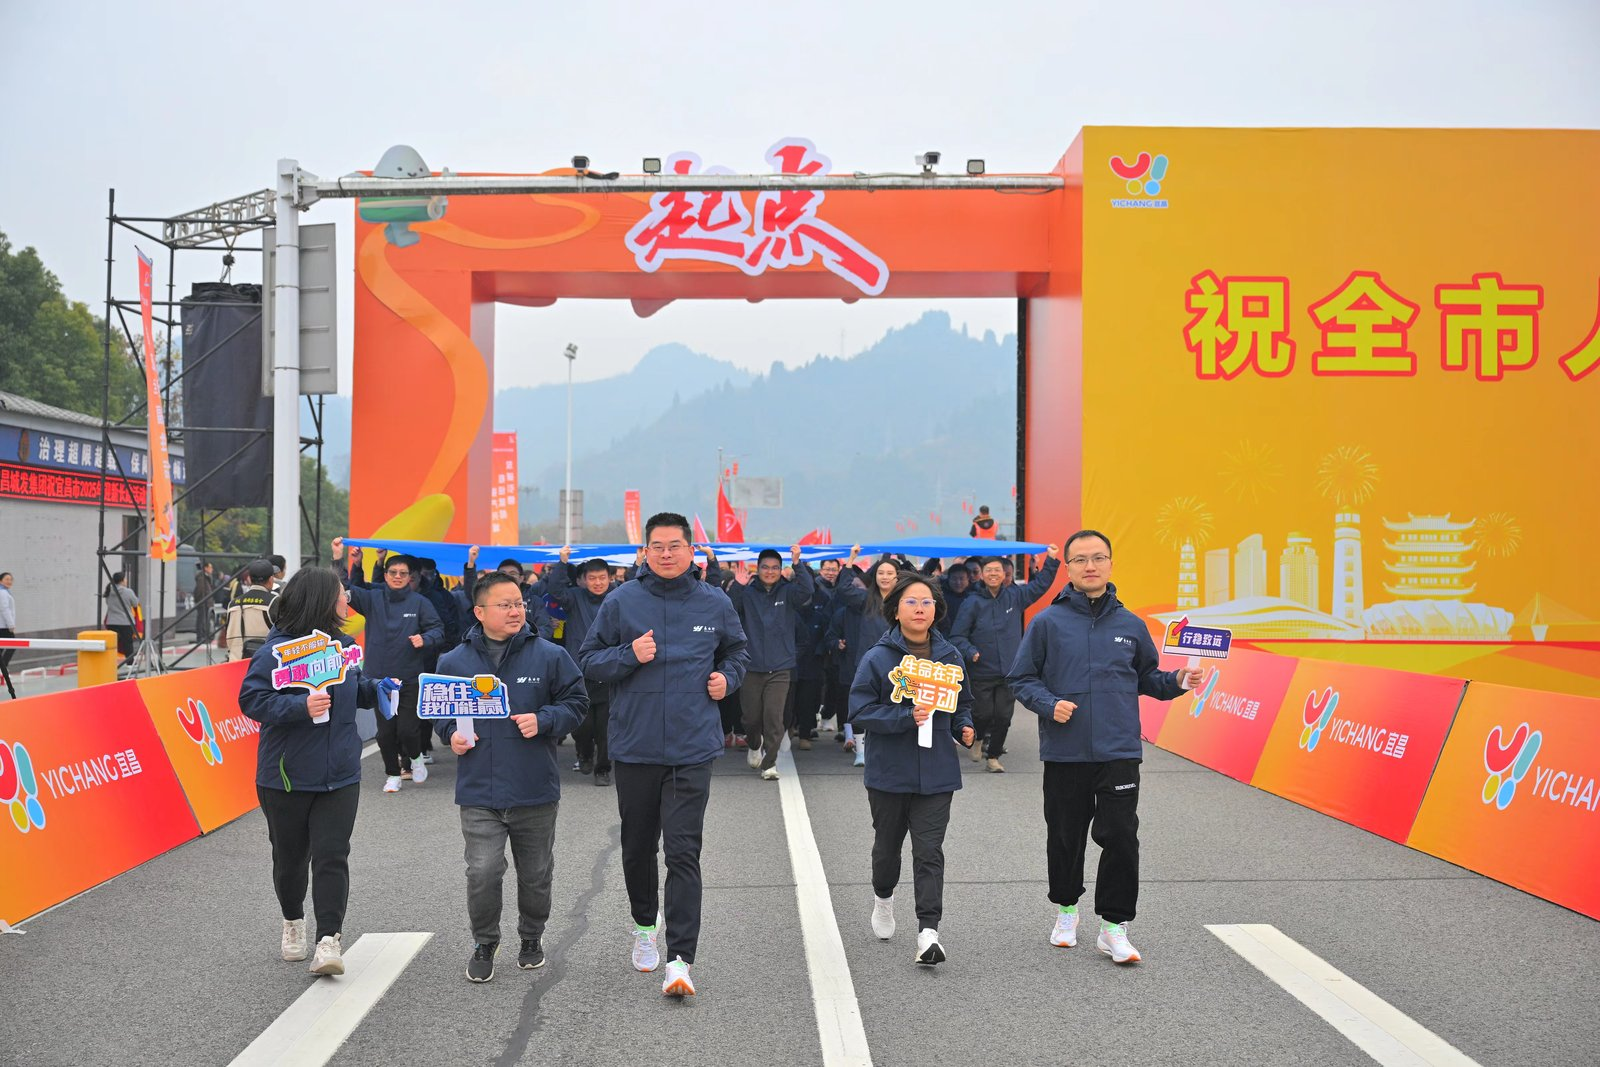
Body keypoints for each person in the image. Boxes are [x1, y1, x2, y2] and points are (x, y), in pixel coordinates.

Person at [1006, 529, 1202, 965]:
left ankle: (1114, 926)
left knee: (1121, 837)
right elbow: (1021, 678)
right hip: (1065, 751)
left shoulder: (1131, 625)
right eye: (1080, 559)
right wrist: (1049, 704)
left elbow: (1148, 678)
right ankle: (1066, 911)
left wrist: (1178, 680)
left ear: (1111, 563)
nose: (1090, 566)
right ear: (1068, 569)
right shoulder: (1047, 623)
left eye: (1098, 557)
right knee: (1065, 837)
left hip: (1118, 750)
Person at [576, 512, 749, 998]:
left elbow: (738, 652)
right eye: (658, 546)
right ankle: (644, 927)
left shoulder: (714, 601)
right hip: (636, 745)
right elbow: (588, 660)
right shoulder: (621, 600)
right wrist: (629, 655)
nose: (667, 554)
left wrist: (727, 679)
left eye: (675, 546)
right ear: (645, 552)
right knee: (637, 847)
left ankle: (681, 959)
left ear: (691, 551)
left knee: (683, 851)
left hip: (692, 746)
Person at [238, 566, 393, 977]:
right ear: (322, 600)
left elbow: (354, 690)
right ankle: (293, 919)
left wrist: (376, 688)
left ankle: (329, 940)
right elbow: (251, 700)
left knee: (332, 855)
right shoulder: (274, 652)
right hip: (285, 776)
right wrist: (298, 706)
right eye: (342, 595)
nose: (347, 601)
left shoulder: (344, 648)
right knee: (290, 860)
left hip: (340, 773)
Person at [436, 571, 588, 983]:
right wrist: (451, 734)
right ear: (479, 611)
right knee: (482, 872)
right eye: (505, 605)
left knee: (536, 874)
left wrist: (544, 719)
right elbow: (441, 714)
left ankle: (531, 936)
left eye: (519, 603)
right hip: (479, 790)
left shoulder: (550, 656)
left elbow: (577, 702)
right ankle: (485, 942)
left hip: (533, 786)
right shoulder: (453, 662)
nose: (515, 611)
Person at [849, 572, 975, 965]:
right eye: (911, 602)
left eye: (926, 602)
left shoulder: (950, 656)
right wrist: (905, 716)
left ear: (936, 610)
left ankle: (928, 932)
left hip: (937, 772)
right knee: (887, 848)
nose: (920, 609)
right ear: (895, 610)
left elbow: (962, 703)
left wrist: (964, 727)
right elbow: (860, 710)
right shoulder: (878, 658)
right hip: (889, 772)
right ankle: (883, 899)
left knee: (929, 851)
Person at [332, 539, 444, 793]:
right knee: (384, 734)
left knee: (408, 730)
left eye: (403, 573)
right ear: (385, 575)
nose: (398, 576)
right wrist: (340, 558)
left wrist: (425, 639)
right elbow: (343, 587)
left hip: (409, 678)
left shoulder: (420, 603)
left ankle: (415, 758)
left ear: (410, 577)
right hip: (379, 680)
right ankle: (392, 774)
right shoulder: (372, 598)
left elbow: (438, 630)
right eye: (393, 572)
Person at [950, 547, 1061, 773]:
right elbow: (957, 636)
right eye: (988, 570)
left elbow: (1040, 586)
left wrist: (1051, 560)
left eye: (997, 570)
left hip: (1009, 671)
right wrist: (970, 651)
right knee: (982, 714)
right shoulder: (972, 602)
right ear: (982, 575)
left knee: (1003, 716)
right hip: (981, 670)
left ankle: (993, 757)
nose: (993, 574)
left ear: (1004, 574)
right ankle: (978, 738)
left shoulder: (1015, 596)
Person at [724, 545, 812, 780]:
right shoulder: (747, 593)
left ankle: (769, 764)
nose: (770, 572)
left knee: (774, 718)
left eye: (775, 568)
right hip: (751, 667)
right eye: (765, 567)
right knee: (751, 719)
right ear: (758, 569)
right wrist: (738, 585)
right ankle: (754, 744)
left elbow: (807, 591)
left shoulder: (788, 592)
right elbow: (728, 609)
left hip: (780, 667)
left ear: (781, 570)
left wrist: (797, 564)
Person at [546, 546, 621, 786]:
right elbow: (555, 590)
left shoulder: (618, 597)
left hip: (609, 671)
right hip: (580, 673)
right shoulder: (574, 598)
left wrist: (639, 564)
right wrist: (562, 562)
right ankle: (584, 754)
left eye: (602, 578)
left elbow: (638, 590)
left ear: (610, 578)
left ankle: (603, 769)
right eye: (592, 578)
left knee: (606, 728)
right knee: (582, 726)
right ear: (583, 580)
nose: (597, 583)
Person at [833, 548, 903, 767]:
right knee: (862, 706)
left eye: (890, 573)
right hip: (868, 662)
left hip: (897, 663)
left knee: (892, 706)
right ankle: (861, 750)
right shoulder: (865, 599)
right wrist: (851, 559)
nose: (885, 577)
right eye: (881, 573)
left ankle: (889, 749)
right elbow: (844, 589)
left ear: (897, 577)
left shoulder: (905, 601)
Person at [226, 560, 278, 662]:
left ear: (249, 579)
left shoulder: (233, 604)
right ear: (271, 579)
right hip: (264, 664)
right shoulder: (274, 602)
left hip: (235, 664)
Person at [103, 571, 142, 660]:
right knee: (128, 643)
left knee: (113, 644)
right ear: (122, 580)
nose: (126, 580)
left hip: (111, 622)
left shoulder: (109, 591)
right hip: (126, 622)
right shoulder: (128, 592)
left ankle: (110, 661)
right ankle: (129, 663)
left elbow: (108, 603)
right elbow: (135, 603)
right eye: (125, 578)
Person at [0, 571, 15, 675]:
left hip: (3, 625)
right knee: (12, 645)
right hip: (4, 626)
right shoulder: (3, 593)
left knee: (1, 647)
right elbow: (4, 609)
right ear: (1, 581)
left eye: (10, 579)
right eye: (6, 579)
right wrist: (11, 624)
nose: (9, 581)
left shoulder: (4, 592)